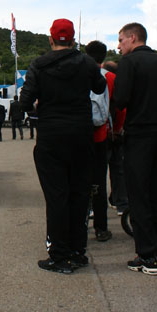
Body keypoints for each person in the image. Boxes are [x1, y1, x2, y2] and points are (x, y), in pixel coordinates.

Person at [20, 18, 106, 274]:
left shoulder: (39, 65)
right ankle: (78, 252)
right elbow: (100, 87)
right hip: (81, 136)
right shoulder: (87, 63)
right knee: (80, 194)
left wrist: (39, 105)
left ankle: (59, 256)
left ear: (51, 39)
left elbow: (25, 102)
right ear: (72, 38)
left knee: (56, 196)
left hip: (51, 137)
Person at [113, 22, 157, 275]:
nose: (119, 46)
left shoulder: (129, 63)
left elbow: (121, 99)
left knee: (138, 194)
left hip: (140, 134)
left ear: (133, 38)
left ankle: (146, 256)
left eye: (121, 40)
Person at [85, 41, 115, 242]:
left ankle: (80, 223)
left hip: (80, 135)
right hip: (101, 135)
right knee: (99, 183)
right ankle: (101, 228)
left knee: (79, 181)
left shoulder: (78, 73)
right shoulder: (110, 77)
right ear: (104, 57)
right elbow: (118, 108)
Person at [102, 60, 128, 216]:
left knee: (98, 171)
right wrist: (118, 128)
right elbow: (121, 108)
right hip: (115, 133)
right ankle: (121, 203)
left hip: (100, 132)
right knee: (118, 169)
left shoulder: (96, 78)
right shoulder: (115, 80)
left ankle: (94, 206)